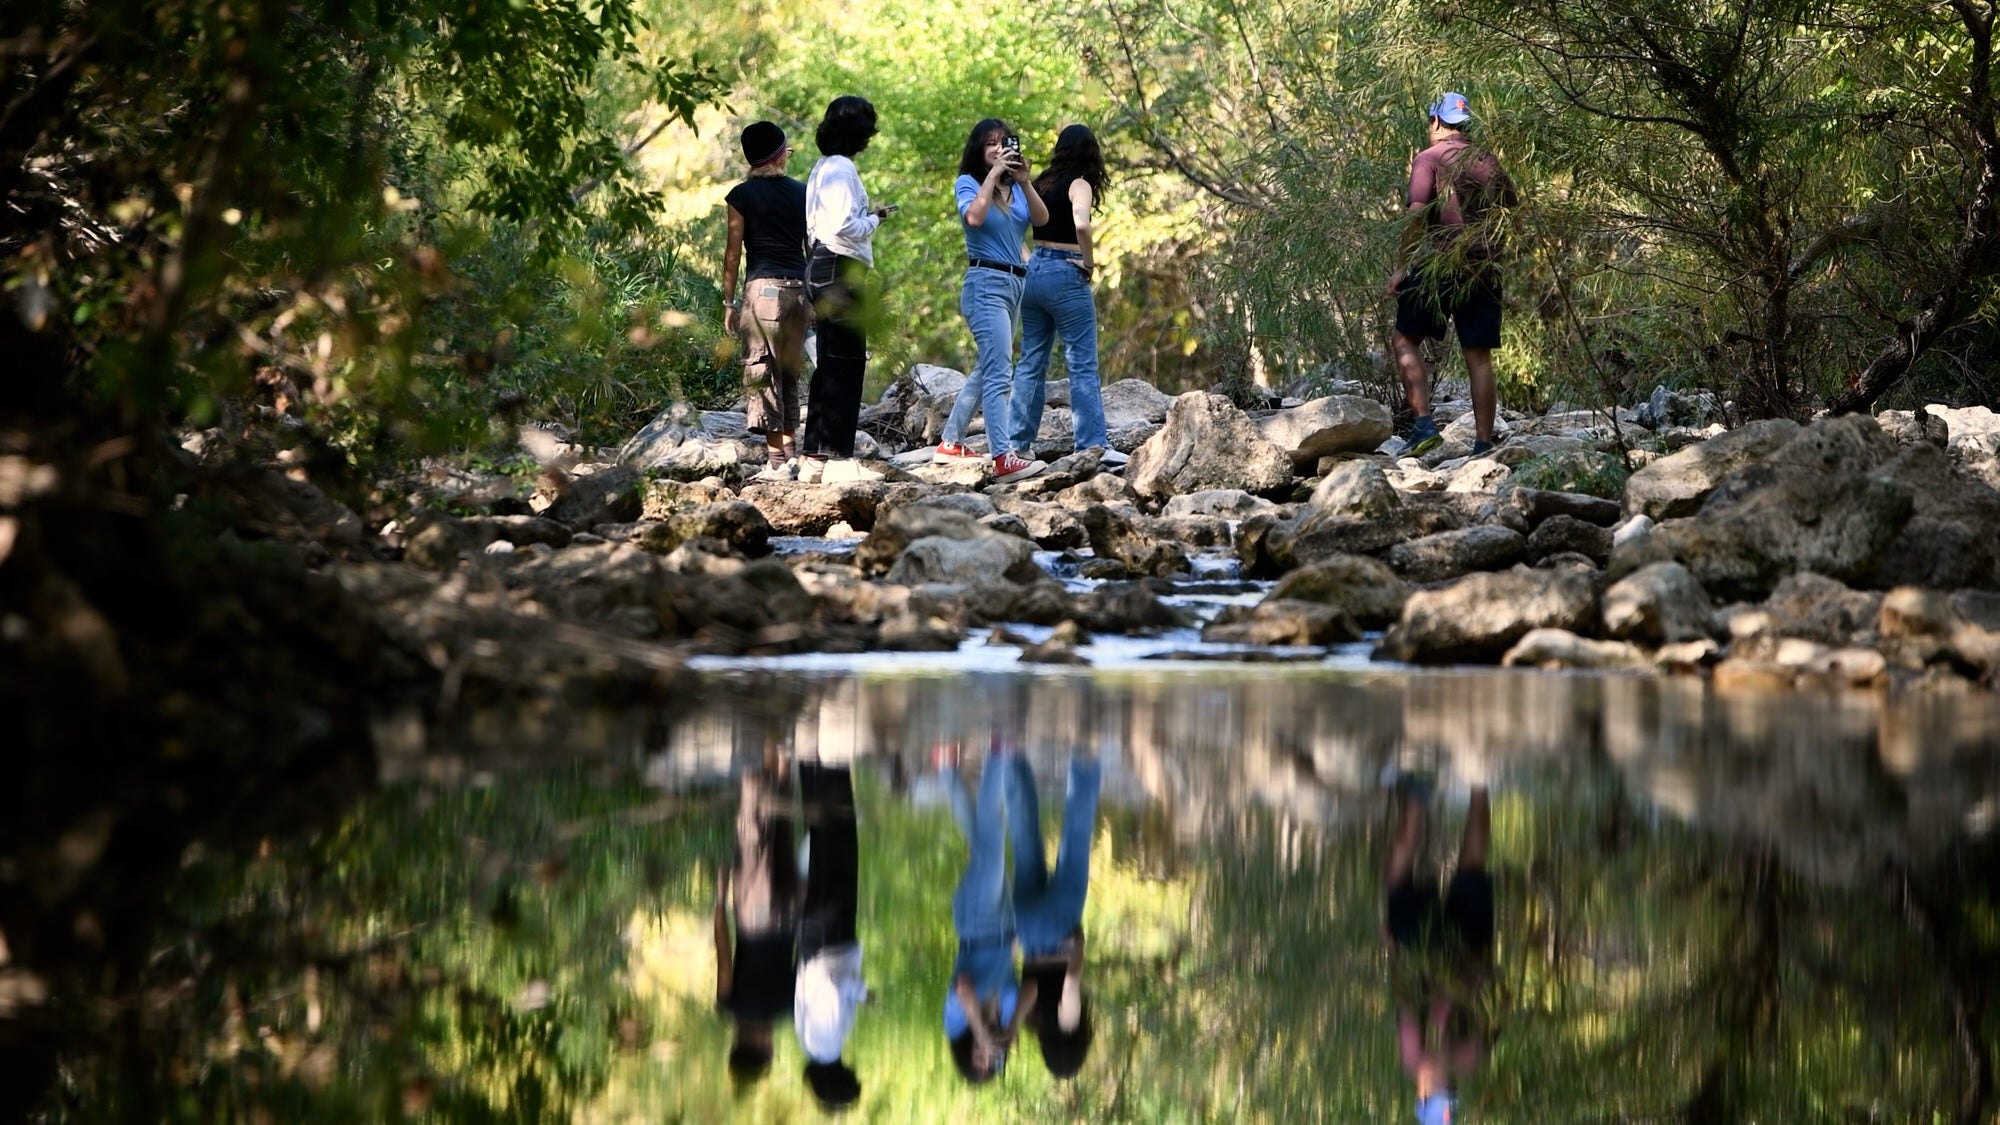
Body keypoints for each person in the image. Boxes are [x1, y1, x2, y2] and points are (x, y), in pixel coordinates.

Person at [1386, 92, 1520, 458]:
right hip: (1484, 269)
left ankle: (1425, 426)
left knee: (1405, 337)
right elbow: (1511, 211)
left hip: (1440, 265)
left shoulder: (1428, 159)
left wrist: (1401, 266)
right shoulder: (1488, 161)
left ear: (1435, 122)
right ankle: (1482, 445)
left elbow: (1416, 215)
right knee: (1478, 357)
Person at [936, 118, 1049, 484]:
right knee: (1001, 372)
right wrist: (993, 174)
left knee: (989, 367)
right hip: (985, 284)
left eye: (1004, 143)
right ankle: (1003, 457)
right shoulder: (968, 183)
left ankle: (951, 443)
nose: (999, 149)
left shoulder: (1014, 189)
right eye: (990, 144)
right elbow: (973, 217)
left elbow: (1042, 219)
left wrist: (1023, 180)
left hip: (1015, 284)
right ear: (978, 150)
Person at [1007, 124, 1125, 471]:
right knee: (1082, 363)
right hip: (1065, 272)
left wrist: (1032, 261)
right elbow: (1083, 226)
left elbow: (1013, 227)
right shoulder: (1080, 184)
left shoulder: (1039, 182)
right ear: (1091, 153)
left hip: (1034, 273)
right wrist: (1088, 263)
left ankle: (1018, 446)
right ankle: (1092, 445)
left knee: (1030, 361)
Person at [1383, 772, 1495, 1125]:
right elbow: (1404, 994)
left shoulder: (1470, 1059)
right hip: (1430, 950)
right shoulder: (1416, 1057)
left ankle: (1478, 778)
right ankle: (1420, 792)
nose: (1428, 1084)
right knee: (1403, 872)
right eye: (1430, 1091)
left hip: (1464, 954)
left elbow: (1487, 1001)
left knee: (1471, 866)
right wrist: (1393, 950)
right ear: (1425, 1093)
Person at [802, 95, 893, 485]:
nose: (870, 138)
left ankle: (814, 459)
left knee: (830, 363)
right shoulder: (841, 169)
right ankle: (839, 459)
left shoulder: (823, 167)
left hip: (821, 265)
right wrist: (874, 219)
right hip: (840, 268)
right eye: (867, 130)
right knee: (847, 363)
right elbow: (842, 226)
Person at [721, 121, 810, 482]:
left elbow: (732, 255)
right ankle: (790, 452)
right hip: (799, 291)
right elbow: (812, 248)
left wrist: (728, 303)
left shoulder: (740, 196)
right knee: (789, 370)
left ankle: (776, 460)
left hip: (763, 292)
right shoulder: (803, 193)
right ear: (779, 154)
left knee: (763, 369)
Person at [941, 743, 1035, 1084]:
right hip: (1004, 921)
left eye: (978, 1058)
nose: (986, 1052)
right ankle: (945, 768)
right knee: (982, 843)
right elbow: (1030, 990)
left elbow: (964, 989)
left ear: (967, 1054)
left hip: (976, 923)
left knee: (992, 846)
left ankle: (998, 748)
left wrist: (979, 1029)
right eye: (993, 1059)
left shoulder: (956, 1024)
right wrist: (1010, 1027)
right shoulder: (1003, 1017)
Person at [1006, 751, 1100, 1079]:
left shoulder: (1067, 1022)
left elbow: (1071, 983)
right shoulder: (1032, 1020)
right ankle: (1008, 753)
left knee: (1076, 833)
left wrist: (1078, 946)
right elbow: (1020, 975)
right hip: (1027, 929)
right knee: (1024, 839)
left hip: (1061, 925)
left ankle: (1086, 750)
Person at [713, 762, 800, 1087]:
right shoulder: (729, 1005)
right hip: (755, 917)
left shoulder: (789, 1011)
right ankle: (761, 747)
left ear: (763, 1048)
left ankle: (781, 758)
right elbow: (724, 957)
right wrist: (719, 901)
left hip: (790, 914)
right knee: (752, 832)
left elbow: (803, 959)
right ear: (738, 1045)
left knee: (782, 829)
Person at [795, 760, 865, 1110]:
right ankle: (810, 759)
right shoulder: (809, 1044)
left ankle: (832, 759)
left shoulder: (827, 1042)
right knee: (823, 835)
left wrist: (863, 992)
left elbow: (834, 988)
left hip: (831, 936)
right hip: (814, 938)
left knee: (839, 837)